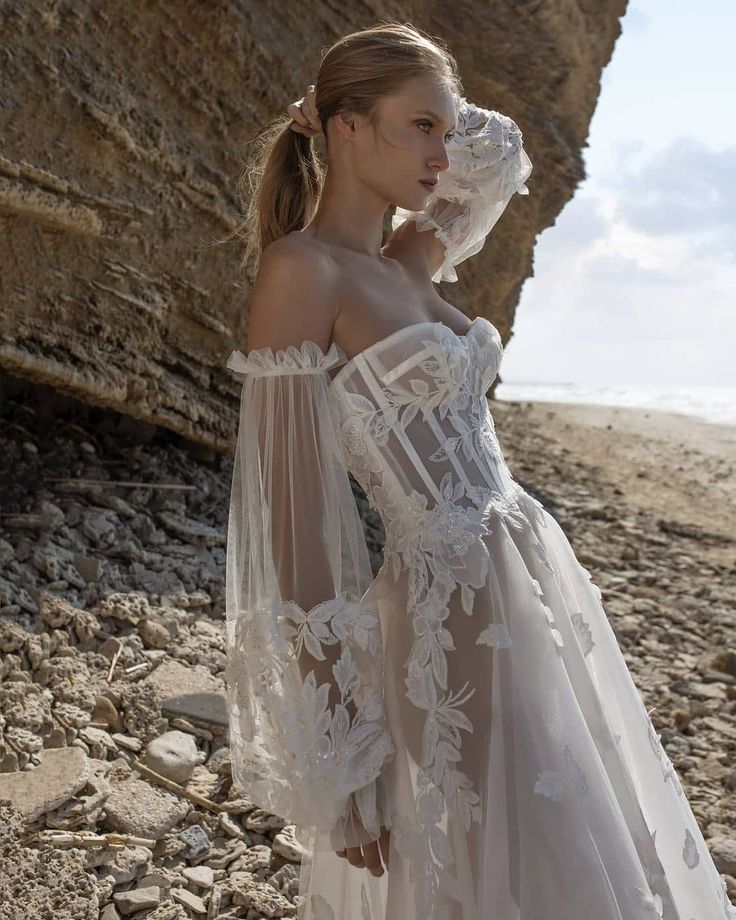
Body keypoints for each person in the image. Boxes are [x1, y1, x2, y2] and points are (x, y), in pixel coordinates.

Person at [223, 20, 736, 920]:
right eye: (421, 126)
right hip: (446, 598)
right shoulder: (303, 272)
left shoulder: (411, 259)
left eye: (446, 128)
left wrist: (415, 105)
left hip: (530, 575)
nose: (445, 151)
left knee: (573, 824)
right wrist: (338, 753)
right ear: (348, 127)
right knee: (503, 847)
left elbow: (501, 161)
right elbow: (295, 517)